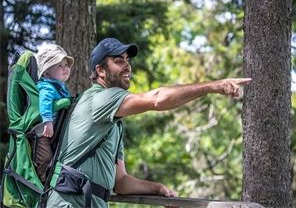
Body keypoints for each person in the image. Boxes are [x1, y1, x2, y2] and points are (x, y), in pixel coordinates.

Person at [46, 38, 252, 207]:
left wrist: (158, 188)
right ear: (100, 71)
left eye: (127, 59)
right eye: (119, 61)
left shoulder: (113, 121)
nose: (127, 66)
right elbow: (156, 99)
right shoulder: (100, 99)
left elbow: (121, 182)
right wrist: (214, 86)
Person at [34, 44, 74, 183]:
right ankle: (42, 183)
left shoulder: (58, 86)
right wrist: (47, 121)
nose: (65, 68)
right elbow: (44, 103)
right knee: (45, 158)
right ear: (46, 73)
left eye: (66, 65)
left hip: (51, 131)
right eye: (59, 66)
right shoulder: (47, 87)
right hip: (41, 132)